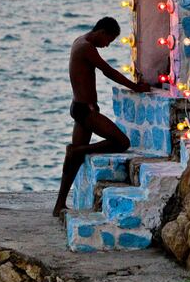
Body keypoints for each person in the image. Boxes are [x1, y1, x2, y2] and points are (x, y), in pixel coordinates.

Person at [53, 17, 151, 217]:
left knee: (75, 159)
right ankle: (77, 149)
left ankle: (59, 204)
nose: (107, 45)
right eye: (109, 40)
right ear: (102, 32)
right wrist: (136, 87)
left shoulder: (79, 41)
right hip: (85, 111)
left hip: (80, 107)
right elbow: (109, 72)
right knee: (121, 142)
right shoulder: (86, 47)